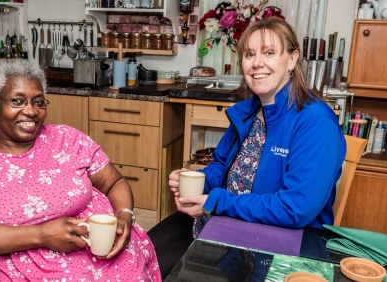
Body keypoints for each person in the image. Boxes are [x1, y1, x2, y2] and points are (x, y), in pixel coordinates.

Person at [148, 16, 346, 278]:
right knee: (140, 254)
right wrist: (197, 180)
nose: (257, 63)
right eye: (250, 54)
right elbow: (222, 166)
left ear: (292, 59)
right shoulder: (251, 112)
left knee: (169, 273)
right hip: (228, 222)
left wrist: (216, 202)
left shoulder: (316, 123)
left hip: (279, 244)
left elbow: (295, 209)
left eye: (269, 52)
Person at [0, 59, 161, 281]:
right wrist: (41, 235)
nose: (31, 111)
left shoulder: (68, 139)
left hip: (106, 250)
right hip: (30, 262)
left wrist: (124, 215)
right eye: (18, 101)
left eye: (38, 102)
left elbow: (114, 182)